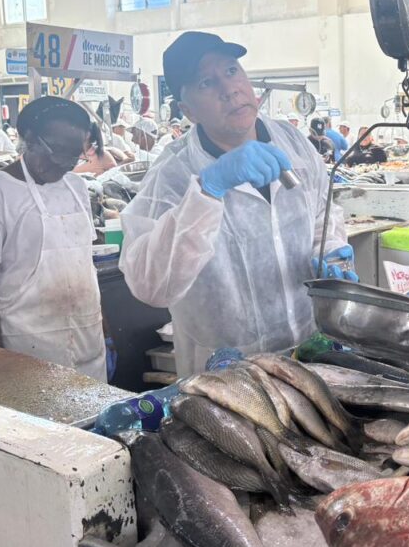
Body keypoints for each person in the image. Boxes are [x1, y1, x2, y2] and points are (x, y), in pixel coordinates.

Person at [119, 31, 353, 375]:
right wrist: (207, 191)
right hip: (224, 372)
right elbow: (150, 285)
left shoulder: (293, 143)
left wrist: (329, 251)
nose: (229, 89)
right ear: (187, 110)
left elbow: (321, 215)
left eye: (231, 71)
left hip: (306, 353)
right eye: (206, 83)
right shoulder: (173, 173)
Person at [0, 97, 106, 381]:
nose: (65, 164)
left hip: (87, 338)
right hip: (28, 345)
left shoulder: (77, 187)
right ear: (29, 139)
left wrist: (105, 327)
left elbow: (84, 264)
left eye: (74, 156)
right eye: (58, 152)